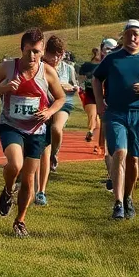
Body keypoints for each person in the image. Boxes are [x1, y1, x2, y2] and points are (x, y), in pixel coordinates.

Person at [0, 28, 66, 237]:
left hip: (36, 129)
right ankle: (8, 188)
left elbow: (61, 98)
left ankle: (20, 220)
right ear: (21, 49)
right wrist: (4, 89)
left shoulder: (47, 72)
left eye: (37, 52)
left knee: (29, 178)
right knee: (15, 164)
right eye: (28, 51)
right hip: (11, 125)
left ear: (42, 51)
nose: (32, 56)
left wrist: (49, 111)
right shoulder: (8, 68)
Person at [93, 20, 139, 221]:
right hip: (116, 113)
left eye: (136, 34)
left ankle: (128, 196)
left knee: (134, 159)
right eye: (129, 34)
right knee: (120, 153)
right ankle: (118, 203)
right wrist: (99, 103)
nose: (133, 38)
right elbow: (97, 78)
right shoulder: (112, 58)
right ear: (123, 36)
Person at [36, 35, 78, 207]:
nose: (56, 58)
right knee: (41, 151)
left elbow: (75, 88)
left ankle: (55, 153)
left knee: (56, 129)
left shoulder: (68, 68)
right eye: (53, 54)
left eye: (59, 55)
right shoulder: (39, 66)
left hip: (62, 105)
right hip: (43, 106)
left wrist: (70, 88)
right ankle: (41, 191)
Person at [78, 47, 101, 144]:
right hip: (89, 94)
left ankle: (97, 142)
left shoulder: (104, 65)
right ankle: (90, 131)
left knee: (99, 122)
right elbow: (80, 80)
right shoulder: (86, 66)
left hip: (101, 94)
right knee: (92, 114)